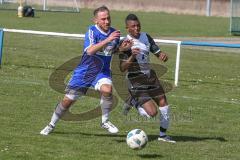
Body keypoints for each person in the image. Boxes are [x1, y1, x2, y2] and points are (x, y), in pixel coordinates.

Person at [40, 6, 121, 135]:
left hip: (102, 72)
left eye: (108, 18)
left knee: (107, 90)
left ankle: (105, 121)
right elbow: (89, 51)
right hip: (85, 72)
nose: (107, 21)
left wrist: (122, 48)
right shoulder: (92, 31)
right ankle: (51, 124)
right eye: (103, 19)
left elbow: (112, 50)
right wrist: (107, 40)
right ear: (96, 20)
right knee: (67, 101)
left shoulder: (114, 34)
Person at [119, 14, 176, 143]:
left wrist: (162, 55)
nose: (137, 28)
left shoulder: (146, 37)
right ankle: (133, 101)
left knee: (164, 103)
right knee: (152, 113)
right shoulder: (125, 43)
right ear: (127, 28)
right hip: (136, 80)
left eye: (138, 25)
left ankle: (163, 135)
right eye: (133, 26)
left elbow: (156, 50)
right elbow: (122, 67)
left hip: (150, 76)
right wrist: (132, 56)